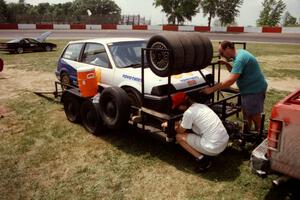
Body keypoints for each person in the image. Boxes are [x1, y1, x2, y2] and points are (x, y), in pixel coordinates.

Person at [202, 41, 268, 133]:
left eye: (222, 53)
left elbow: (230, 80)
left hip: (254, 90)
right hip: (250, 89)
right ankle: (247, 133)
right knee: (246, 113)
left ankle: (261, 135)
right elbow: (236, 72)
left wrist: (211, 90)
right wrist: (226, 64)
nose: (222, 55)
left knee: (254, 115)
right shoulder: (240, 53)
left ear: (228, 48)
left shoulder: (240, 59)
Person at [162, 92, 229, 172]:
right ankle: (205, 153)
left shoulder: (189, 113)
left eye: (177, 107)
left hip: (214, 148)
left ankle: (203, 160)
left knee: (179, 137)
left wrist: (170, 125)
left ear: (183, 105)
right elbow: (185, 122)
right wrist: (177, 123)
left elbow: (180, 130)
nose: (178, 109)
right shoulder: (201, 106)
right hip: (224, 142)